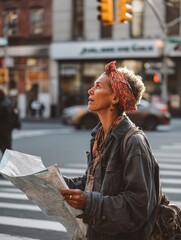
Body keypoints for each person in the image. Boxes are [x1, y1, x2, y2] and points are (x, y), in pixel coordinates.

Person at [61, 61, 161, 240]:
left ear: (115, 98)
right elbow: (93, 182)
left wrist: (89, 202)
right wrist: (57, 182)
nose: (89, 91)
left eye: (97, 86)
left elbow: (138, 207)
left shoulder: (134, 142)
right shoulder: (99, 136)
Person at [0, 88, 21, 157]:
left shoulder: (2, 105)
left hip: (2, 130)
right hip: (8, 129)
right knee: (7, 148)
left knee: (5, 149)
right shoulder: (9, 102)